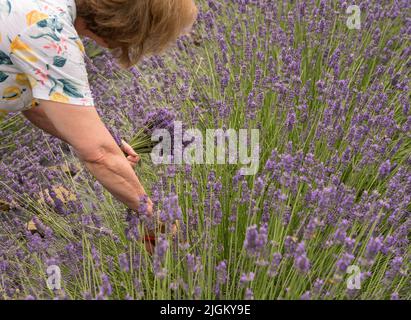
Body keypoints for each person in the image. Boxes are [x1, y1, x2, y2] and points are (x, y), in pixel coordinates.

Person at [0, 0, 198, 222]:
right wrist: (154, 219)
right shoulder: (50, 33)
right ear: (128, 24)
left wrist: (106, 139)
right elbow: (99, 155)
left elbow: (34, 103)